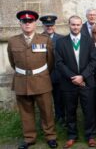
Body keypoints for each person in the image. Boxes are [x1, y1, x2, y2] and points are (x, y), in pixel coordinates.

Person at [7, 10, 58, 149]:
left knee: (47, 111)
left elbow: (50, 62)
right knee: (26, 112)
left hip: (41, 80)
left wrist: (41, 74)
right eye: (24, 22)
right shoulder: (12, 41)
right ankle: (29, 138)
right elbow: (13, 62)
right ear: (20, 24)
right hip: (21, 81)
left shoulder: (45, 40)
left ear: (35, 23)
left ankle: (50, 136)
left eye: (30, 21)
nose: (27, 24)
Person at [55, 15, 96, 148]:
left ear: (81, 25)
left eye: (78, 24)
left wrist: (83, 77)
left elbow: (93, 60)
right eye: (73, 24)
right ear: (69, 25)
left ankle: (90, 135)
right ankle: (71, 135)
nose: (75, 27)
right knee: (70, 110)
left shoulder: (88, 41)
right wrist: (73, 77)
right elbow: (59, 63)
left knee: (89, 110)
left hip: (86, 82)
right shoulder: (61, 42)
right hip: (69, 83)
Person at [40, 14, 65, 125]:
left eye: (51, 25)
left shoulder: (62, 39)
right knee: (44, 101)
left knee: (59, 98)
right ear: (43, 26)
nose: (49, 27)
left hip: (59, 75)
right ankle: (46, 121)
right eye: (47, 25)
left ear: (55, 26)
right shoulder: (37, 39)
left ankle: (60, 118)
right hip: (43, 75)